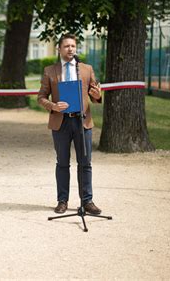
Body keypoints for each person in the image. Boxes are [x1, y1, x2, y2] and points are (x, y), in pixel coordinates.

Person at [37, 33, 102, 215]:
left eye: (73, 46)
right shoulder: (50, 71)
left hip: (82, 121)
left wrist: (97, 96)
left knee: (85, 163)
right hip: (61, 122)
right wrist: (54, 106)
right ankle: (62, 201)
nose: (70, 49)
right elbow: (40, 98)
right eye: (66, 46)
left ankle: (87, 201)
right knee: (62, 163)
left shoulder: (86, 69)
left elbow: (95, 94)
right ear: (59, 49)